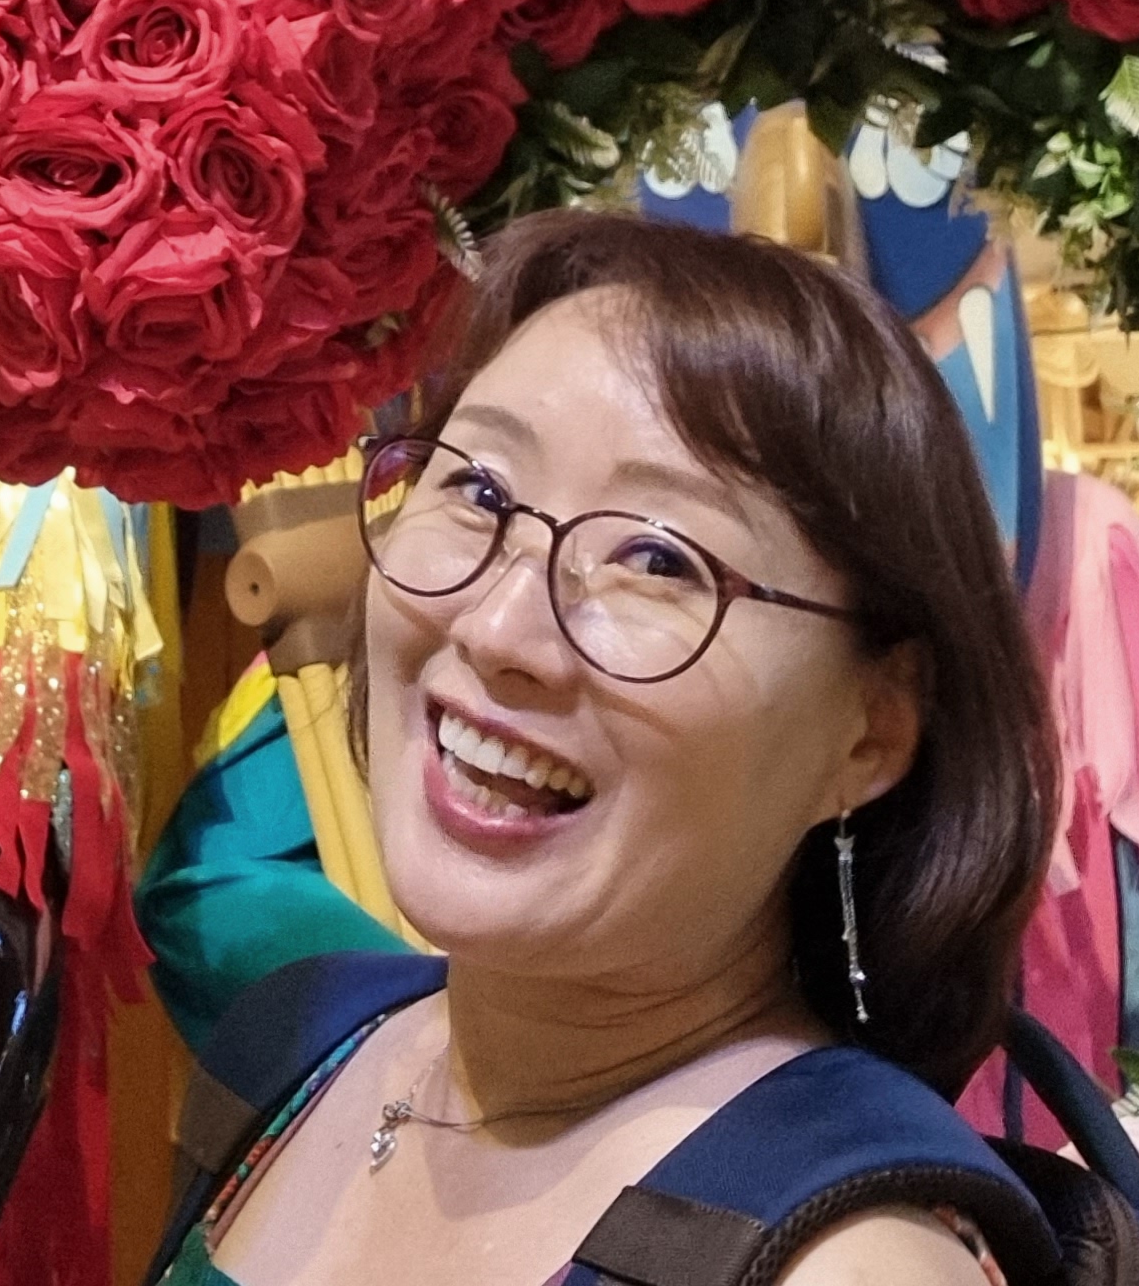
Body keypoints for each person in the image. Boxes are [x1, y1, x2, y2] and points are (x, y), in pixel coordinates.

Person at [160, 210, 1062, 1286]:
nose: (498, 629)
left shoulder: (842, 1265)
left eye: (658, 561)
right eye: (478, 491)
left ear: (871, 731)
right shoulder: (295, 1052)